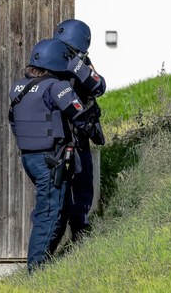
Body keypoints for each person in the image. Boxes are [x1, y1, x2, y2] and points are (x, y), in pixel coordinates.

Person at [8, 38, 96, 273]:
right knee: (50, 213)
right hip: (51, 159)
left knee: (52, 208)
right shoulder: (57, 87)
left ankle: (46, 264)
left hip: (30, 159)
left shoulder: (18, 88)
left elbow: (14, 123)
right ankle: (36, 272)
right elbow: (79, 115)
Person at [53, 18, 106, 243]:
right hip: (76, 135)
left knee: (55, 193)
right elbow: (98, 86)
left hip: (54, 138)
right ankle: (80, 234)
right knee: (81, 188)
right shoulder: (76, 63)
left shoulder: (48, 59)